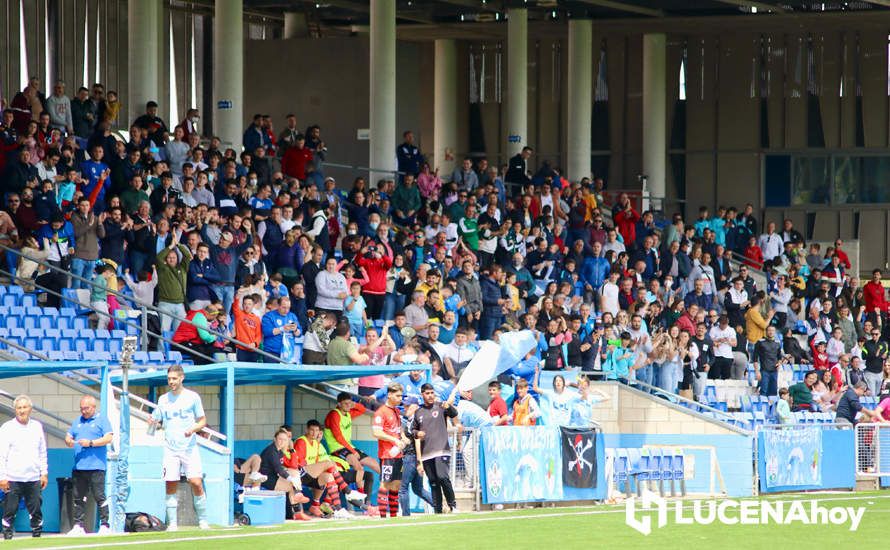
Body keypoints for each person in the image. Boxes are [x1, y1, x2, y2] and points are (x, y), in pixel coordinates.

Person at [148, 365, 210, 530]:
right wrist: (153, 421)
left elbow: (202, 420)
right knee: (170, 483)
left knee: (196, 482)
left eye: (174, 378)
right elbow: (157, 419)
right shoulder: (163, 399)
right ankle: (172, 523)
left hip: (189, 447)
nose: (171, 382)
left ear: (182, 378)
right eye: (169, 379)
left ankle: (203, 520)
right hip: (170, 448)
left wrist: (193, 429)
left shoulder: (192, 397)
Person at [64, 395, 113, 536]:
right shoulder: (77, 421)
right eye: (81, 408)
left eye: (86, 408)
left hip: (96, 466)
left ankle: (104, 525)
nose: (83, 411)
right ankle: (78, 525)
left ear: (93, 407)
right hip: (79, 467)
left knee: (99, 496)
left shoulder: (101, 420)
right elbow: (68, 436)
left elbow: (108, 438)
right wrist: (68, 440)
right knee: (78, 497)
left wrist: (91, 443)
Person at [0, 395, 47, 540]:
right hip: (13, 478)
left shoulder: (37, 426)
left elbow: (42, 451)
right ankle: (7, 535)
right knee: (10, 510)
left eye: (24, 407)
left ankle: (37, 533)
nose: (22, 411)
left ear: (30, 409)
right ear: (15, 410)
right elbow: (2, 454)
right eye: (19, 408)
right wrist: (2, 477)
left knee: (36, 509)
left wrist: (44, 473)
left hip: (33, 478)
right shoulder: (7, 428)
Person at [414, 384, 461, 514]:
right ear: (422, 395)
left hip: (441, 449)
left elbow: (454, 414)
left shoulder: (441, 406)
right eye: (427, 393)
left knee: (442, 477)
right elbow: (413, 430)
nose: (430, 396)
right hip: (427, 453)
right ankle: (438, 510)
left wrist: (449, 407)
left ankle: (453, 505)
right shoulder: (418, 412)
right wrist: (416, 433)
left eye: (432, 393)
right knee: (433, 482)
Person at [323, 392, 378, 501]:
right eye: (345, 404)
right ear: (339, 404)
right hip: (337, 449)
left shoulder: (348, 413)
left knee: (374, 464)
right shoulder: (334, 414)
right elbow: (338, 436)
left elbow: (362, 410)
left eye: (349, 403)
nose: (348, 406)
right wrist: (352, 451)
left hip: (348, 447)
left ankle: (390, 489)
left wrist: (355, 404)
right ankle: (362, 499)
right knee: (359, 467)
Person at [257, 428, 311, 521]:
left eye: (285, 440)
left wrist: (292, 449)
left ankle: (298, 498)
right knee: (291, 485)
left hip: (274, 477)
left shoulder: (279, 451)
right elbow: (279, 469)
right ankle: (298, 509)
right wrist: (291, 479)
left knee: (294, 472)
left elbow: (293, 466)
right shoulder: (271, 451)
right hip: (265, 479)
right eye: (280, 439)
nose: (282, 442)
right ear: (275, 439)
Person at [372, 383, 408, 518]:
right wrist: (394, 440)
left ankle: (393, 517)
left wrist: (403, 437)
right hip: (387, 454)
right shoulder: (380, 412)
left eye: (401, 396)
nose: (400, 399)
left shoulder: (397, 411)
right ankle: (382, 517)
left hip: (398, 454)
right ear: (389, 395)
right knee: (385, 484)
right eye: (398, 396)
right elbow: (376, 432)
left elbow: (399, 430)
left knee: (396, 485)